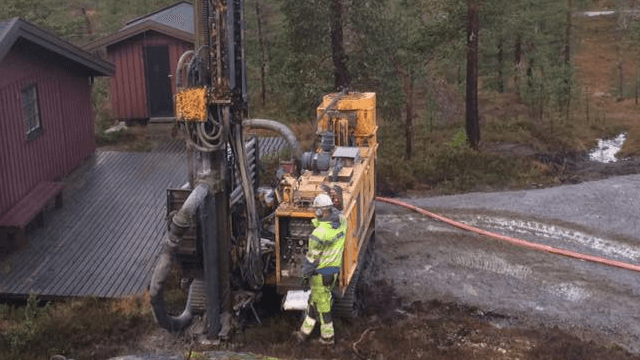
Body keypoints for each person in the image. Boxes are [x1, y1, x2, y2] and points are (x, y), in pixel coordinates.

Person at [293, 193, 347, 346]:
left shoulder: (318, 234)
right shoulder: (343, 223)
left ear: (320, 212)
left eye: (316, 210)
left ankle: (327, 339)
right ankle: (304, 333)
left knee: (323, 308)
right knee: (314, 302)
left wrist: (304, 276)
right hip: (333, 273)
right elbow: (340, 214)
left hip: (319, 276)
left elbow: (311, 260)